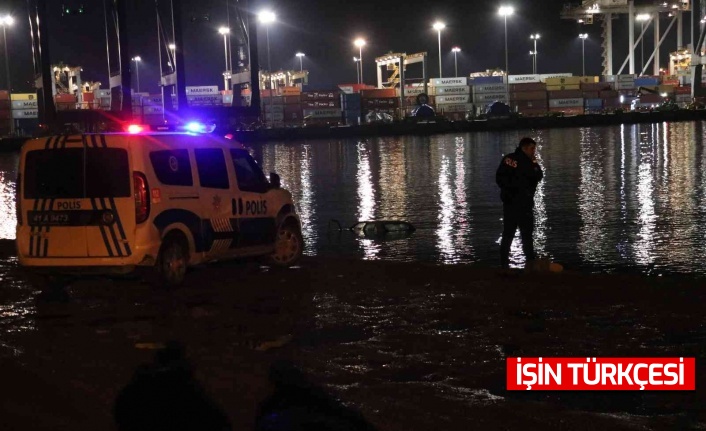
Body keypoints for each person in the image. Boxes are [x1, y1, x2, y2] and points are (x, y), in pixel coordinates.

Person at [495, 137, 543, 269]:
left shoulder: (508, 159)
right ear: (524, 148)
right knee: (527, 236)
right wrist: (534, 163)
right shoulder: (527, 162)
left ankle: (504, 264)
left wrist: (507, 192)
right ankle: (530, 264)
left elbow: (499, 178)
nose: (534, 152)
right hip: (524, 204)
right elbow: (538, 175)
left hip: (509, 204)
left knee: (508, 235)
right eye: (532, 149)